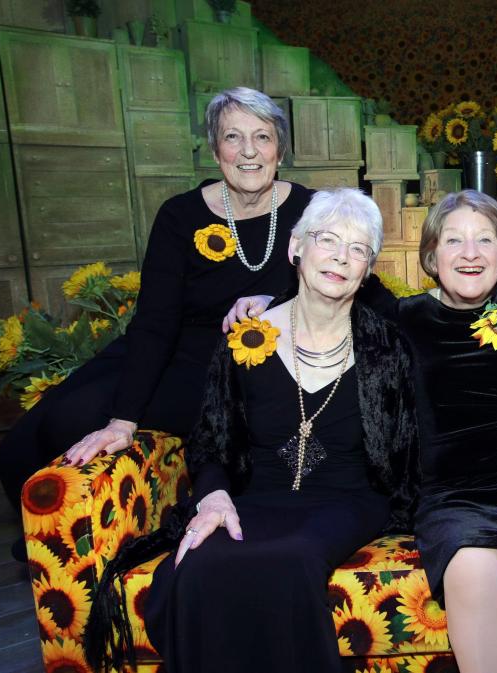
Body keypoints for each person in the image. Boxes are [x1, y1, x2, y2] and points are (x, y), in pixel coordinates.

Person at [86, 188, 419, 673]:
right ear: (296, 248)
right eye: (327, 240)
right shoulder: (247, 337)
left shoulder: (386, 346)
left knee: (293, 559)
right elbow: (211, 441)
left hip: (347, 499)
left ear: (368, 270)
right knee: (199, 566)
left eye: (358, 249)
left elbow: (409, 448)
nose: (340, 258)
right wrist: (215, 497)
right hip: (254, 498)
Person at [0, 87, 314, 559]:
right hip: (169, 347)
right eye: (233, 136)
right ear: (214, 149)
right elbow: (156, 319)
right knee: (37, 432)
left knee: (74, 421)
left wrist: (280, 299)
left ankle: (57, 549)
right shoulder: (179, 214)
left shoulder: (312, 209)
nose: (249, 151)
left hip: (239, 367)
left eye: (262, 137)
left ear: (280, 150)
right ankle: (47, 543)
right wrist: (123, 421)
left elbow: (346, 285)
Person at [360, 190, 497, 673]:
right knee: (472, 572)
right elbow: (331, 283)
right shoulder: (405, 318)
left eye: (484, 240)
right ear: (431, 256)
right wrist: (269, 296)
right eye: (454, 240)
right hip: (451, 498)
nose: (470, 253)